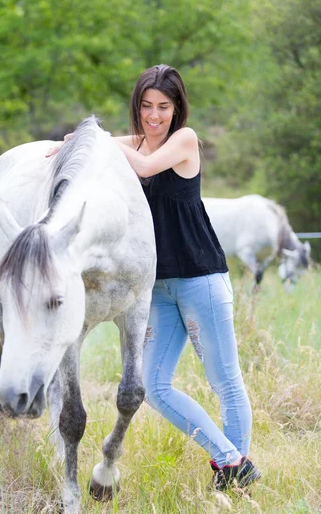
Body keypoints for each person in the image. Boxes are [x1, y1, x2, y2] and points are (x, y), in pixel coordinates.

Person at [47, 64, 261, 491]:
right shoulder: (138, 142)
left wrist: (102, 141)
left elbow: (144, 167)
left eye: (163, 106)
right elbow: (117, 148)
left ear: (177, 107)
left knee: (225, 381)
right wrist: (78, 144)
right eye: (146, 106)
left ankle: (235, 476)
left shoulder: (184, 140)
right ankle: (232, 460)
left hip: (202, 278)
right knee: (154, 386)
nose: (154, 115)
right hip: (158, 286)